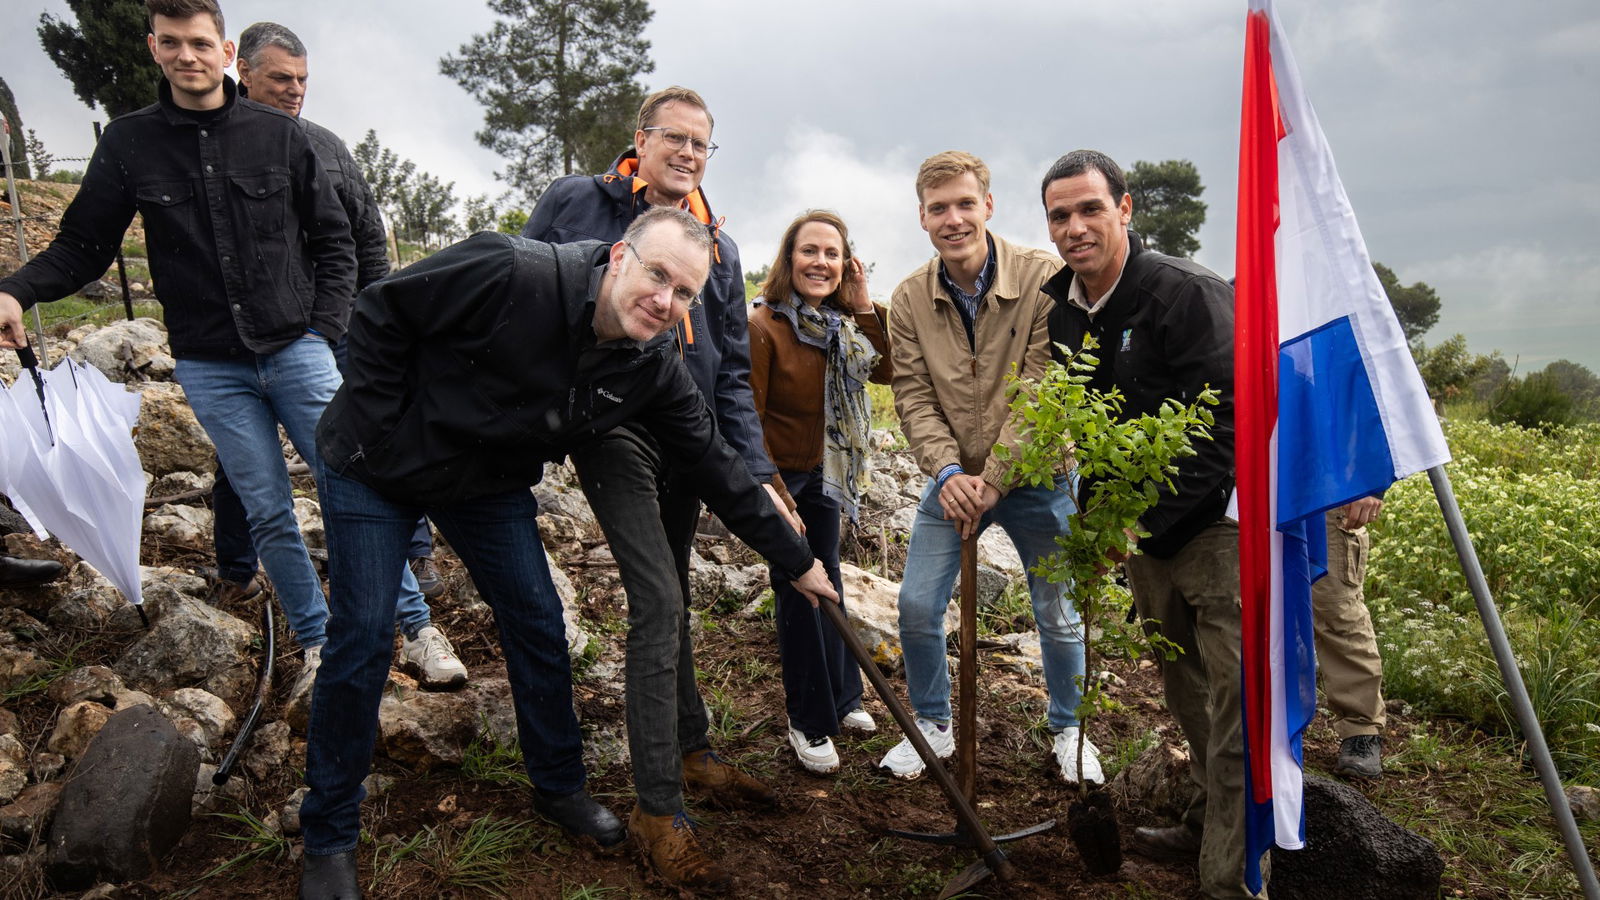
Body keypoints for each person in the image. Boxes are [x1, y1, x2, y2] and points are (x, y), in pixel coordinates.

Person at [298, 206, 839, 899]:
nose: (664, 300)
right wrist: (386, 430)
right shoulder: (510, 270)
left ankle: (558, 789)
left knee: (537, 619)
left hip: (481, 482)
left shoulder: (649, 367)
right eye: (657, 275)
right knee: (366, 635)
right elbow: (378, 312)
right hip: (373, 460)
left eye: (683, 294)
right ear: (619, 256)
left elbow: (716, 467)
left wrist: (796, 563)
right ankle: (329, 833)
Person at [0, 0, 387, 716]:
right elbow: (84, 247)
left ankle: (412, 625)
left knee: (356, 486)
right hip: (212, 365)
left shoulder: (280, 135)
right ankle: (320, 637)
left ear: (226, 48)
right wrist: (16, 290)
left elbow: (337, 243)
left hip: (298, 347)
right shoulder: (129, 144)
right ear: (154, 48)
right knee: (268, 511)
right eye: (172, 43)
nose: (188, 56)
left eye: (200, 43)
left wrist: (324, 331)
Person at [523, 86, 797, 888]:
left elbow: (735, 373)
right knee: (657, 599)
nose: (686, 152)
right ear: (638, 140)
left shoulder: (722, 246)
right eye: (672, 137)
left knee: (674, 585)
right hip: (612, 430)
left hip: (691, 436)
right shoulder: (579, 202)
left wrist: (757, 470)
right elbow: (533, 291)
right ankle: (657, 805)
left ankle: (692, 746)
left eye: (700, 143)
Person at [1040, 148, 1264, 898]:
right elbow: (1086, 425)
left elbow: (1229, 422)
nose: (1075, 228)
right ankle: (1206, 821)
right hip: (1140, 537)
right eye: (1060, 215)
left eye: (1090, 209)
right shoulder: (1066, 309)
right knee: (1186, 690)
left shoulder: (1185, 294)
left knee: (1238, 710)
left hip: (1218, 532)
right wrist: (1101, 521)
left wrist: (1138, 524)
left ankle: (1232, 879)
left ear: (1125, 209)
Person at [221, 20, 465, 695]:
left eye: (302, 81)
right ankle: (236, 564)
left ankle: (412, 589)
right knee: (248, 475)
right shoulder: (210, 147)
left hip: (333, 332)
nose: (294, 92)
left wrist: (372, 319)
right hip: (242, 348)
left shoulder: (324, 146)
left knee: (366, 460)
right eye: (280, 80)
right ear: (243, 71)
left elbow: (364, 234)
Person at [882, 151, 1096, 784]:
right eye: (939, 208)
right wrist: (949, 476)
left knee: (1059, 614)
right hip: (952, 484)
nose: (954, 219)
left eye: (965, 204)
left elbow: (1043, 389)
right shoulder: (909, 298)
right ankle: (932, 725)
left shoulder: (1043, 278)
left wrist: (995, 480)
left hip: (1038, 478)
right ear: (922, 217)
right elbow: (914, 398)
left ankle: (1069, 729)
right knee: (918, 607)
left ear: (988, 206)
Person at [748, 211, 892, 774]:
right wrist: (775, 490)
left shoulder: (839, 324)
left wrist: (862, 302)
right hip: (780, 478)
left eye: (832, 254)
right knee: (798, 588)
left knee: (828, 577)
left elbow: (884, 369)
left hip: (825, 472)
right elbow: (747, 416)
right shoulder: (763, 325)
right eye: (810, 251)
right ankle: (807, 721)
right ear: (789, 260)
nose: (821, 263)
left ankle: (844, 696)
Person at [1314, 496, 1387, 779]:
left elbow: (1393, 448)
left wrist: (1372, 487)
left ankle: (1361, 728)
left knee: (1336, 609)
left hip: (1331, 491)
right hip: (1254, 484)